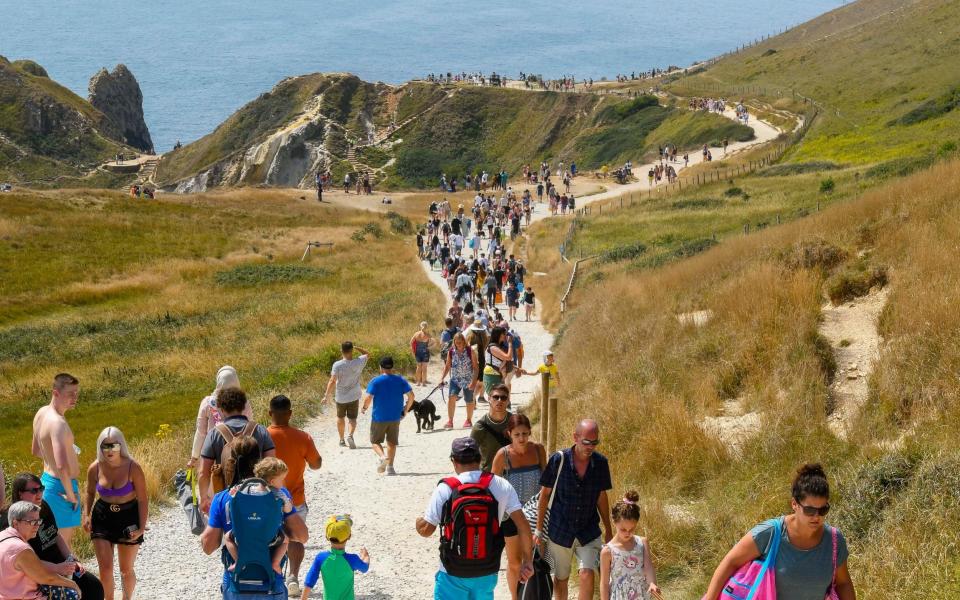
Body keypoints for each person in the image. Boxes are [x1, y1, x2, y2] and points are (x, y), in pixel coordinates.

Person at [703, 464, 855, 600]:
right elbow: (730, 562)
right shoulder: (771, 533)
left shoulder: (834, 541)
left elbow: (843, 583)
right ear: (794, 504)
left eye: (823, 509)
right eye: (809, 510)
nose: (817, 516)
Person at [416, 438, 534, 600]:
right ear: (479, 459)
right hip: (487, 570)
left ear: (454, 461)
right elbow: (523, 525)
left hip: (453, 571)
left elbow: (426, 531)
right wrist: (527, 561)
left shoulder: (446, 488)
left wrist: (418, 522)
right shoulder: (501, 485)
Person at [200, 440, 308, 600]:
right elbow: (302, 536)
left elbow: (208, 547)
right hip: (270, 583)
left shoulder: (224, 498)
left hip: (237, 584)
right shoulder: (278, 494)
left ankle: (239, 562)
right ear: (259, 461)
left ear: (231, 462)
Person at [534, 419, 613, 600]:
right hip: (560, 529)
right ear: (575, 437)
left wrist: (608, 528)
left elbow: (601, 495)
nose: (590, 447)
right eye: (586, 442)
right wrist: (539, 530)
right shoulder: (558, 460)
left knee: (587, 573)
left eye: (595, 442)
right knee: (561, 579)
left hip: (588, 529)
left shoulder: (601, 463)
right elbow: (545, 495)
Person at [1, 473, 104, 600]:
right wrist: (58, 569)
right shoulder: (11, 519)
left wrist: (71, 559)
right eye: (34, 490)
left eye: (41, 489)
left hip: (59, 563)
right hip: (37, 574)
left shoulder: (42, 506)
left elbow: (55, 534)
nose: (39, 494)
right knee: (75, 593)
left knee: (93, 587)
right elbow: (30, 564)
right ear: (20, 493)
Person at [83, 427, 148, 600]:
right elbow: (89, 492)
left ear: (122, 445)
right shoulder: (94, 468)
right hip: (102, 516)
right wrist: (86, 514)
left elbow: (143, 499)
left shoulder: (133, 467)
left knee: (125, 570)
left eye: (114, 445)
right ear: (99, 447)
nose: (109, 450)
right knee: (105, 569)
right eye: (105, 446)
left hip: (128, 517)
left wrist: (142, 527)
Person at [266, 395, 322, 595]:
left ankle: (270, 578)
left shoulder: (262, 436)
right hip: (295, 499)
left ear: (270, 413)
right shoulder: (303, 437)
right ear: (290, 414)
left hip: (266, 500)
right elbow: (316, 464)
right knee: (296, 539)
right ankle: (293, 579)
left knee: (267, 538)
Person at [491, 414, 547, 599]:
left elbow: (547, 482)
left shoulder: (538, 450)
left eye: (525, 433)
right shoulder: (503, 455)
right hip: (511, 516)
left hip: (536, 514)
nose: (522, 438)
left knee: (536, 560)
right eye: (517, 434)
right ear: (509, 434)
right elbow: (492, 486)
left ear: (530, 432)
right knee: (515, 562)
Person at [199, 387, 276, 513]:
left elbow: (203, 472)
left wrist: (204, 498)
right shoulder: (261, 430)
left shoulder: (214, 434)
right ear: (243, 406)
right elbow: (271, 465)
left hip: (226, 499)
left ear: (221, 409)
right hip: (258, 495)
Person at [31, 373, 82, 551]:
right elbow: (61, 466)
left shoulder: (41, 413)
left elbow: (36, 450)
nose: (74, 398)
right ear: (56, 393)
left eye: (76, 393)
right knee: (64, 549)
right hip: (62, 489)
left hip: (46, 483)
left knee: (53, 545)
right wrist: (70, 494)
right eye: (70, 394)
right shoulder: (58, 423)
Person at [223, 458, 295, 580]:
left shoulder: (246, 488)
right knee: (286, 540)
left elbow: (233, 497)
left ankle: (238, 561)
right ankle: (275, 563)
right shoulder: (278, 494)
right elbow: (288, 509)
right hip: (269, 537)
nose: (283, 483)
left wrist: (234, 492)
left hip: (243, 536)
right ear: (272, 481)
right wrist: (287, 502)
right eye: (282, 480)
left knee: (227, 538)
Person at [0, 501, 81, 599]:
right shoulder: (20, 549)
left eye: (38, 521)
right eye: (32, 522)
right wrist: (73, 585)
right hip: (25, 597)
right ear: (15, 523)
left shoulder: (3, 536)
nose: (37, 526)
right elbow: (47, 578)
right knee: (72, 594)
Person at [599, 491, 661, 600]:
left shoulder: (642, 542)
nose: (628, 533)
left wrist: (652, 583)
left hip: (641, 594)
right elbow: (604, 583)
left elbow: (648, 567)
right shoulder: (607, 551)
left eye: (631, 529)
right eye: (623, 529)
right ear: (614, 522)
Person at [189, 366, 252, 469]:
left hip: (212, 452)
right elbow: (249, 427)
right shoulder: (244, 402)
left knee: (215, 481)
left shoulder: (208, 403)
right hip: (238, 452)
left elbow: (201, 432)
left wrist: (194, 456)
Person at [361, 356, 415, 476]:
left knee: (375, 441)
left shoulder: (376, 381)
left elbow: (369, 397)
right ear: (392, 367)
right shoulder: (400, 380)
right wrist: (405, 410)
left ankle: (382, 456)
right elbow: (411, 396)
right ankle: (390, 468)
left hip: (379, 417)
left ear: (381, 367)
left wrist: (364, 408)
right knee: (392, 442)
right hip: (395, 417)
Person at [300, 515, 370, 600]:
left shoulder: (321, 558)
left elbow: (310, 579)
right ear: (349, 536)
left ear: (327, 537)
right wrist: (365, 557)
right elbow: (365, 568)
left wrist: (303, 598)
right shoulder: (352, 559)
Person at [324, 342, 370, 449]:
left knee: (340, 417)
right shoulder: (359, 361)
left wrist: (326, 395)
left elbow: (332, 380)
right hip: (354, 396)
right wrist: (357, 347)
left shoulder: (337, 365)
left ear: (341, 351)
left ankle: (341, 440)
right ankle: (350, 435)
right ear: (351, 350)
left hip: (341, 397)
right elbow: (368, 354)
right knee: (352, 419)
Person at [439, 332, 479, 429]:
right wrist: (441, 378)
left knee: (469, 400)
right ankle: (450, 421)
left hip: (468, 379)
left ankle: (468, 420)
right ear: (454, 342)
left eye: (460, 342)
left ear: (464, 342)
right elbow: (447, 366)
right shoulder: (451, 351)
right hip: (455, 379)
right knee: (451, 397)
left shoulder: (470, 351)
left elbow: (476, 368)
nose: (458, 344)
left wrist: (474, 382)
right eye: (456, 343)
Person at [470, 384, 513, 472]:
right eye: (495, 397)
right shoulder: (480, 427)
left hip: (513, 474)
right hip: (489, 476)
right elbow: (470, 455)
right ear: (489, 399)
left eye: (503, 398)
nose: (499, 400)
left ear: (508, 401)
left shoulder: (515, 422)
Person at [482, 327, 514, 396]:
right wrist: (510, 343)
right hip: (492, 375)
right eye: (504, 334)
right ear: (499, 335)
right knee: (495, 398)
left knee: (499, 399)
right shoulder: (493, 347)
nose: (506, 335)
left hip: (497, 375)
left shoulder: (498, 346)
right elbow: (508, 357)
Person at [410, 322, 433, 387]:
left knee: (418, 367)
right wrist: (429, 347)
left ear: (420, 326)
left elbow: (411, 342)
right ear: (427, 327)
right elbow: (434, 342)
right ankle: (423, 382)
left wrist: (412, 351)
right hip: (425, 352)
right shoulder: (428, 334)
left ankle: (418, 382)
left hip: (417, 352)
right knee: (424, 368)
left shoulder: (416, 334)